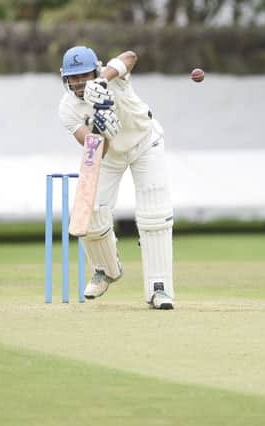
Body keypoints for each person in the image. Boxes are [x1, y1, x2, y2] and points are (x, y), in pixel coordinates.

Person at [58, 45, 175, 310]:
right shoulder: (67, 109)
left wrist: (102, 80)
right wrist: (100, 129)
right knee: (90, 212)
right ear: (65, 78)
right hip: (109, 155)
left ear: (96, 71)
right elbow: (96, 152)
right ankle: (105, 270)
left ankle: (160, 289)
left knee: (154, 216)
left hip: (146, 143)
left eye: (85, 75)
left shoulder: (114, 79)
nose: (79, 83)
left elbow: (131, 56)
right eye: (73, 77)